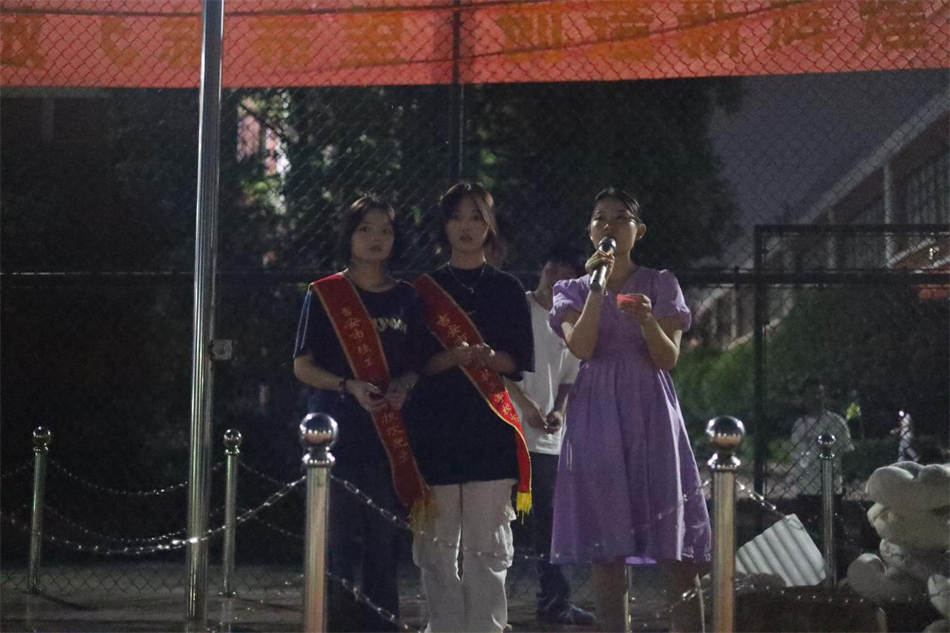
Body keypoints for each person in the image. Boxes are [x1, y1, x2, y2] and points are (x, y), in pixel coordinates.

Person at [548, 187, 710, 633]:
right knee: (607, 550)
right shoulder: (570, 290)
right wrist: (596, 289)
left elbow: (667, 358)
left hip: (651, 412)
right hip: (596, 414)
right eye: (600, 218)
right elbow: (582, 348)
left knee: (676, 549)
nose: (610, 226)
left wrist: (648, 321)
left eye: (621, 218)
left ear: (638, 231)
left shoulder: (661, 283)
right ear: (590, 231)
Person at [293, 194, 429, 632]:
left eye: (385, 230)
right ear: (349, 236)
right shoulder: (326, 294)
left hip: (389, 440)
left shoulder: (407, 298)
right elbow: (302, 365)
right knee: (337, 545)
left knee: (383, 545)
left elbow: (419, 363)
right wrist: (346, 385)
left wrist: (405, 385)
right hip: (336, 437)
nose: (376, 238)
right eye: (366, 229)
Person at [406, 182, 534, 633]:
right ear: (444, 226)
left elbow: (518, 360)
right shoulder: (422, 291)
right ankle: (443, 626)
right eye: (457, 217)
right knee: (436, 546)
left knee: (488, 546)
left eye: (477, 217)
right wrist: (454, 357)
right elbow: (415, 362)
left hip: (489, 430)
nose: (466, 226)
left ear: (491, 226)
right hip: (435, 429)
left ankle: (488, 626)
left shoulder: (507, 288)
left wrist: (487, 358)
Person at [505, 246, 595, 626]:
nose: (555, 276)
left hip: (546, 439)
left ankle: (555, 602)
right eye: (551, 268)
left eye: (565, 272)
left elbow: (568, 378)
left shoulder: (570, 321)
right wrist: (524, 405)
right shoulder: (517, 308)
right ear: (541, 269)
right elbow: (498, 367)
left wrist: (558, 410)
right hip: (506, 429)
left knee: (550, 523)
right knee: (499, 520)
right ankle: (486, 603)